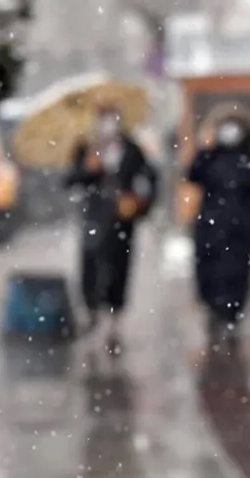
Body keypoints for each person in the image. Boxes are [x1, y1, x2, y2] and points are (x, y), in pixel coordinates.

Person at [64, 105, 158, 354]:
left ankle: (115, 319)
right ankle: (92, 312)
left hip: (122, 221)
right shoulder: (86, 148)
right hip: (94, 218)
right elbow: (71, 180)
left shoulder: (132, 149)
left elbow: (148, 179)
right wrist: (88, 170)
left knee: (119, 268)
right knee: (91, 266)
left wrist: (139, 202)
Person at [188, 109, 250, 345]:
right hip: (209, 229)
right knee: (208, 274)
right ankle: (213, 312)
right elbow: (192, 174)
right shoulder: (210, 157)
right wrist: (204, 147)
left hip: (241, 231)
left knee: (237, 276)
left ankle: (231, 318)